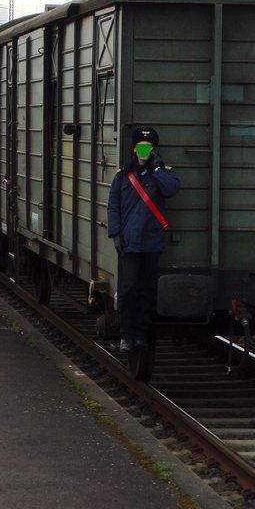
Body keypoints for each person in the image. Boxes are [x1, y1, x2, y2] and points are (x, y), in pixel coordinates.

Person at [106, 125, 180, 353]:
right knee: (129, 290)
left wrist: (157, 170)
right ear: (134, 149)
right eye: (140, 146)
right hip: (130, 243)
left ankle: (140, 334)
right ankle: (126, 336)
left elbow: (172, 190)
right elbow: (113, 206)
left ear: (154, 150)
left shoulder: (162, 174)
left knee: (147, 290)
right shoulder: (123, 176)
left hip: (151, 243)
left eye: (148, 147)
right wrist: (115, 234)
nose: (144, 150)